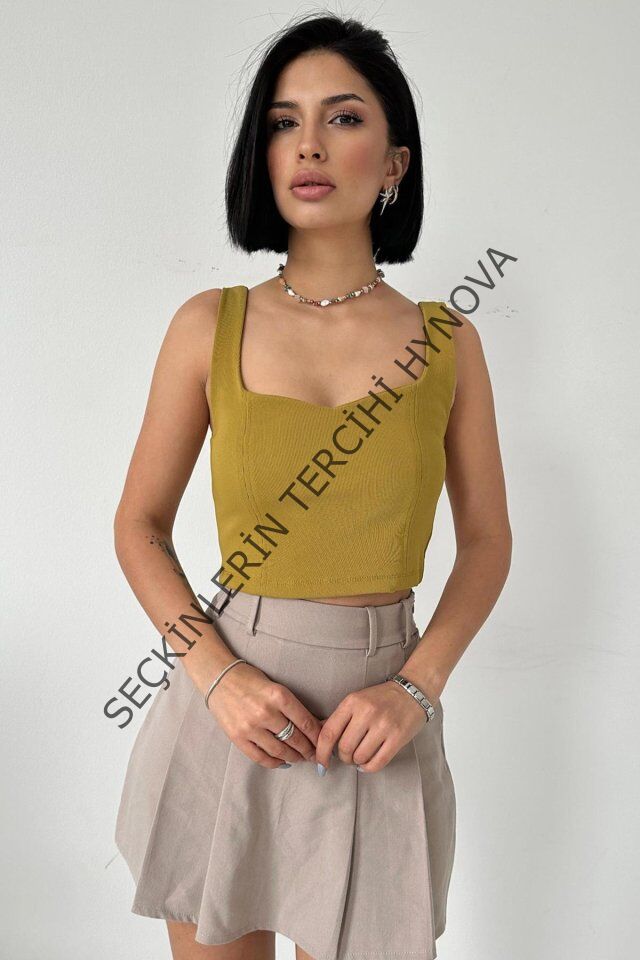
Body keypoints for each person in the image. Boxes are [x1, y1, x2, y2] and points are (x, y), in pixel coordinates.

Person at [114, 12, 512, 960]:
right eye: (283, 122)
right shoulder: (207, 325)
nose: (309, 145)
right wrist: (219, 679)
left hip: (382, 724)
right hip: (232, 710)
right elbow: (140, 525)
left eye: (343, 117)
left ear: (396, 161)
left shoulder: (448, 342)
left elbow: (488, 541)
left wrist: (416, 688)